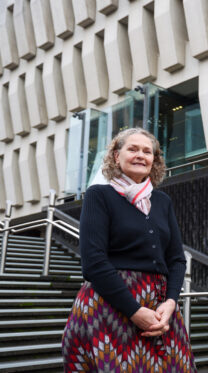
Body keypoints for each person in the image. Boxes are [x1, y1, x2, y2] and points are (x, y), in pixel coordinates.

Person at [62, 128, 196, 372]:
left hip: (159, 310)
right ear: (116, 156)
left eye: (147, 151)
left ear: (154, 160)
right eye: (132, 149)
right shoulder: (99, 195)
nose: (140, 155)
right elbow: (93, 262)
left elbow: (176, 259)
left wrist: (171, 302)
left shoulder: (162, 201)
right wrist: (134, 311)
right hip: (111, 304)